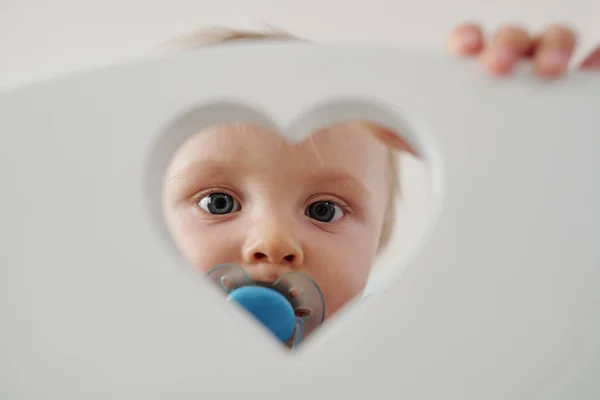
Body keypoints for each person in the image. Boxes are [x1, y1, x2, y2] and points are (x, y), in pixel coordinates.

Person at [161, 22, 599, 339]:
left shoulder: (415, 355)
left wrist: (527, 150)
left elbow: (525, 314)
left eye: (323, 210)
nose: (273, 243)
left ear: (380, 239)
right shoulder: (106, 350)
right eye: (217, 202)